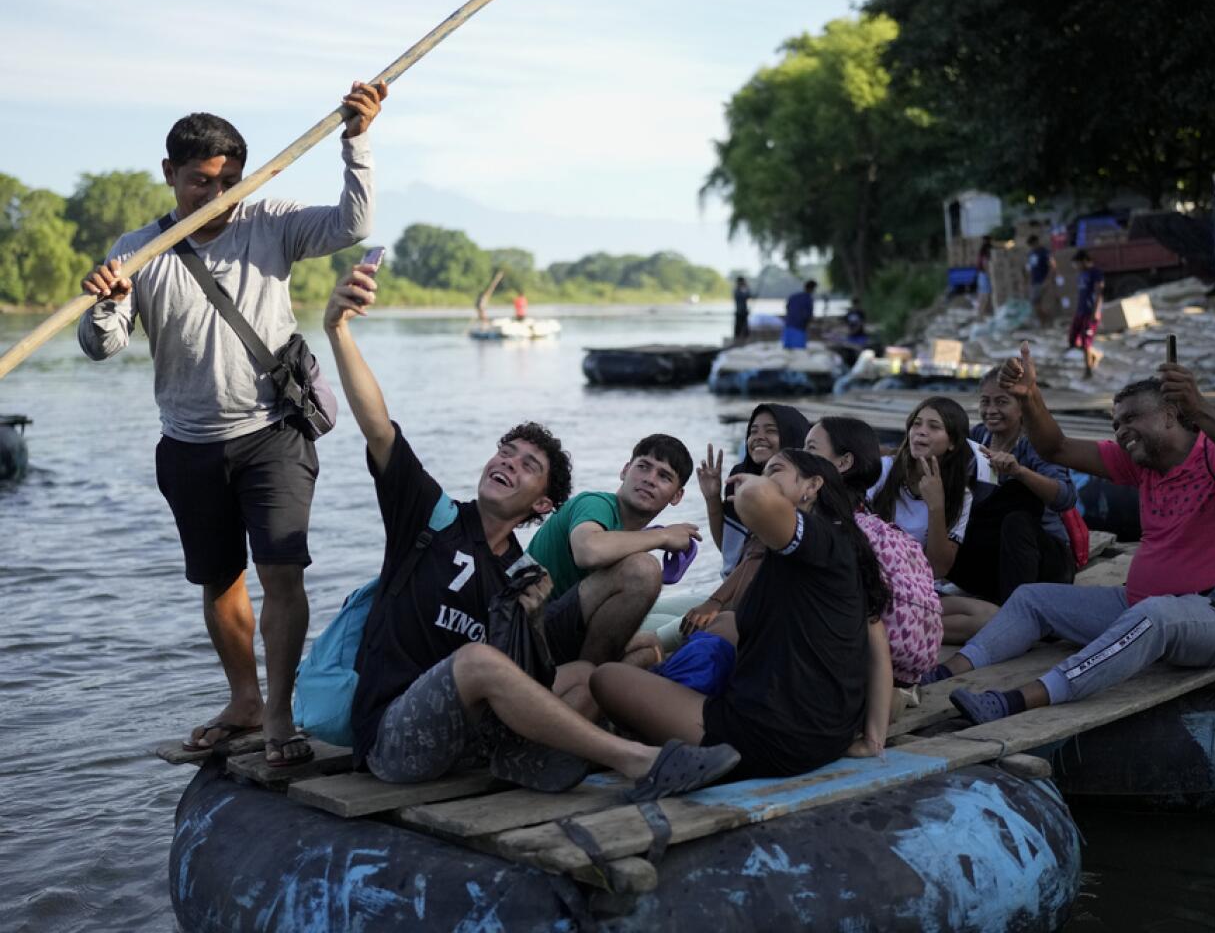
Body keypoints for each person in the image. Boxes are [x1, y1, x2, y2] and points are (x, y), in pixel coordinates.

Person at [325, 264, 739, 796]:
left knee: (588, 675)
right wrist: (338, 330)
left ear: (541, 502)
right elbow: (378, 424)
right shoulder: (430, 517)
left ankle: (532, 761)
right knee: (477, 661)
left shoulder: (520, 572)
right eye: (505, 452)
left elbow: (531, 678)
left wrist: (537, 618)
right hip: (396, 737)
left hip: (470, 736)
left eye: (526, 465)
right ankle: (638, 761)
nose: (507, 463)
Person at [77, 82, 387, 767]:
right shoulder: (138, 252)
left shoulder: (269, 221)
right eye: (200, 182)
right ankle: (243, 699)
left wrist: (356, 139)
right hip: (188, 445)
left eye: (228, 181)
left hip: (273, 430)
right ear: (170, 175)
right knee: (219, 581)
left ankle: (278, 714)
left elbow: (353, 226)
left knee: (282, 571)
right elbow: (101, 348)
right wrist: (106, 302)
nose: (216, 194)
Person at [946, 341, 1215, 728]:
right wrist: (1030, 397)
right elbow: (1055, 447)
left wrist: (1203, 410)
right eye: (1117, 424)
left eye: (1131, 419)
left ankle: (1015, 700)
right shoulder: (1140, 464)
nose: (1122, 431)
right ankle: (946, 674)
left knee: (1152, 615)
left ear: (1171, 415)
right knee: (1032, 598)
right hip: (1138, 602)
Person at [589, 450, 890, 779]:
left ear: (812, 485)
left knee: (605, 678)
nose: (765, 477)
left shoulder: (817, 539)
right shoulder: (841, 543)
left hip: (772, 739)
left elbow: (754, 498)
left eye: (775, 471)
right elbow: (878, 648)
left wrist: (753, 487)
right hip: (829, 733)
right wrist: (873, 738)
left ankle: (650, 754)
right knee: (727, 623)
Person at [921, 366, 1078, 682]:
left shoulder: (1037, 443)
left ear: (1022, 406)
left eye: (1002, 402)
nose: (991, 411)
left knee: (1016, 518)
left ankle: (1016, 625)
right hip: (995, 566)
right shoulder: (976, 437)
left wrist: (1020, 472)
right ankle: (998, 609)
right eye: (985, 401)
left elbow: (1065, 497)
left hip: (1044, 563)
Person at [524, 435, 697, 667]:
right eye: (643, 467)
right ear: (625, 471)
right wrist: (663, 536)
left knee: (650, 649)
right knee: (644, 569)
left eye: (664, 476)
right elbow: (588, 551)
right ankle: (585, 677)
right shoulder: (595, 504)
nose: (650, 480)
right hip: (526, 629)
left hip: (562, 630)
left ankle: (585, 682)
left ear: (677, 496)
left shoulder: (630, 536)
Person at [805, 417, 943, 703]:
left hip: (848, 680)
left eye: (810, 449)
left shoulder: (832, 533)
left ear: (843, 463)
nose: (799, 457)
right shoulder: (868, 524)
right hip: (890, 675)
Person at [869, 396, 998, 643]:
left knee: (990, 617)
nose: (921, 432)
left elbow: (938, 569)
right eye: (917, 424)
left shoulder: (961, 495)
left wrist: (936, 506)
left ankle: (888, 631)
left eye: (934, 427)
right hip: (872, 582)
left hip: (913, 592)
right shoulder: (883, 471)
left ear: (952, 443)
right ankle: (899, 631)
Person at [697, 403, 810, 576]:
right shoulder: (740, 476)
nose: (759, 437)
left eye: (771, 430)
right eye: (753, 431)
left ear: (792, 436)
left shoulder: (803, 483)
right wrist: (712, 498)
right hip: (737, 582)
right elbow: (730, 549)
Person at [1068, 250, 1104, 378]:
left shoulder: (1095, 273)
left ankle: (1088, 370)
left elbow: (1099, 293)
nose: (1076, 266)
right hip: (1080, 311)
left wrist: (1096, 311)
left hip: (1091, 312)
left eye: (1077, 263)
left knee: (1085, 341)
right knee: (1072, 341)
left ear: (1083, 261)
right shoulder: (1081, 275)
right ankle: (1095, 354)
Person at [1025, 235, 1055, 325]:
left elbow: (1052, 266)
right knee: (1035, 303)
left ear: (1036, 242)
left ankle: (1045, 320)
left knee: (1037, 302)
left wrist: (1048, 279)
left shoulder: (1044, 252)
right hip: (1034, 281)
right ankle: (1044, 319)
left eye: (1033, 244)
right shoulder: (1031, 253)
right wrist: (1028, 280)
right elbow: (1029, 268)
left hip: (1042, 280)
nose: (1032, 247)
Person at [782, 280, 816, 349]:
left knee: (787, 351)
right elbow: (808, 316)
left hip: (788, 327)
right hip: (799, 330)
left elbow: (787, 308)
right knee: (799, 353)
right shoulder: (808, 299)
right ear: (813, 289)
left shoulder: (793, 296)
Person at [974, 236, 994, 318]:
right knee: (986, 295)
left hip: (980, 275)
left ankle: (981, 314)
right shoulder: (986, 249)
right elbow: (985, 263)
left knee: (981, 295)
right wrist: (990, 275)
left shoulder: (981, 249)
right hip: (984, 275)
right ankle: (982, 315)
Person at [732, 276, 755, 343]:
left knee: (745, 330)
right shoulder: (737, 291)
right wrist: (747, 287)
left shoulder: (743, 290)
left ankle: (745, 341)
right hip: (739, 313)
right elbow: (745, 296)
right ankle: (737, 342)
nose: (744, 283)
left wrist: (747, 287)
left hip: (744, 313)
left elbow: (749, 295)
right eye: (743, 281)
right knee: (738, 330)